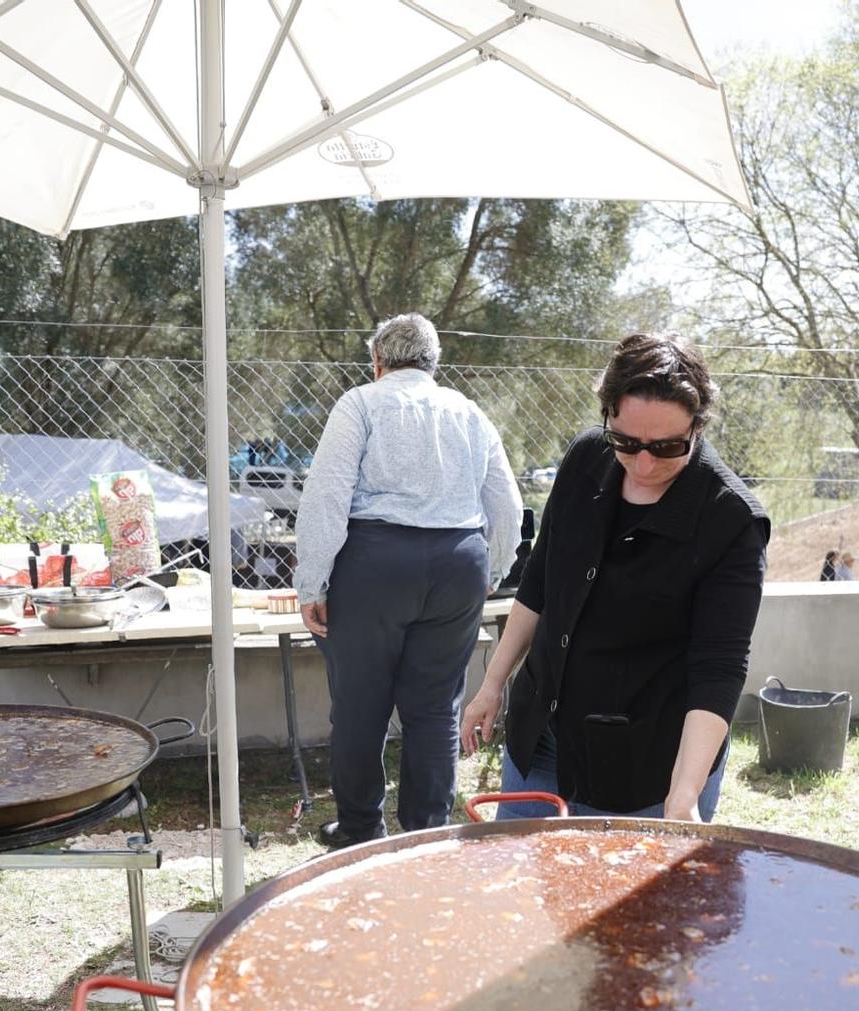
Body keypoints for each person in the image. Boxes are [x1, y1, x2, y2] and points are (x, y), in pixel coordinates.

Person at [460, 332, 768, 821]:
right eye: (626, 441)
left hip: (651, 766)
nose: (644, 464)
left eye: (668, 447)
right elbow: (542, 581)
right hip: (542, 740)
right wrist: (492, 684)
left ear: (698, 426)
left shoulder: (730, 520)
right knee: (527, 890)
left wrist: (684, 796)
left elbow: (720, 667)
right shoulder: (586, 458)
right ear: (606, 415)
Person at [296, 313, 523, 847]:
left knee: (359, 705)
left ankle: (359, 830)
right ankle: (426, 833)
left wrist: (313, 583)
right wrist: (493, 567)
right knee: (435, 707)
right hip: (458, 562)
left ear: (377, 361)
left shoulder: (360, 403)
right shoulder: (469, 412)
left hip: (375, 562)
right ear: (433, 363)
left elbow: (326, 494)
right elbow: (507, 505)